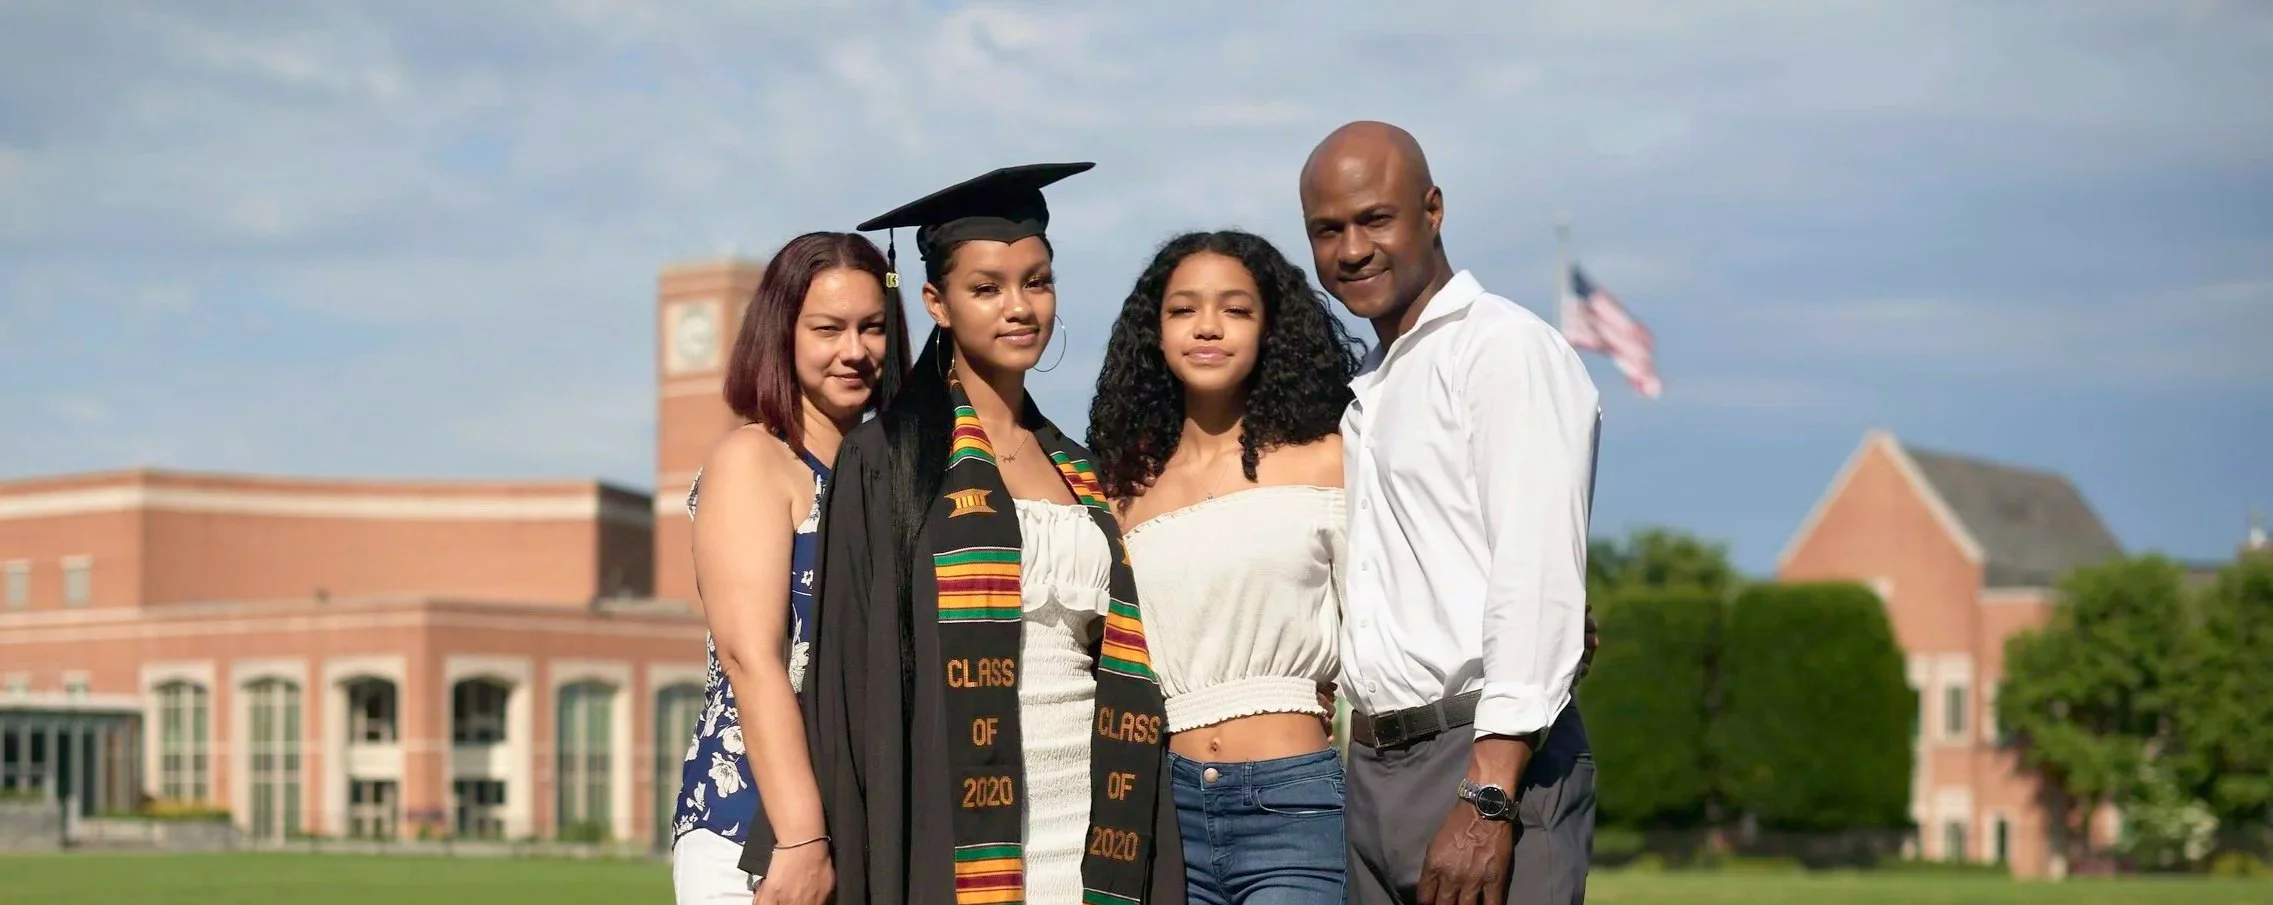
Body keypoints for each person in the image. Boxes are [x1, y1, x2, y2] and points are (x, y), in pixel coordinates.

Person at [772, 162, 1184, 904]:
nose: (1019, 307)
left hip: (1091, 823)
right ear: (936, 301)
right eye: (986, 288)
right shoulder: (887, 461)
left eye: (1037, 281)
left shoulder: (1080, 469)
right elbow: (849, 686)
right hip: (955, 829)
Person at [1299, 121, 1602, 905]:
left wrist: (1488, 796)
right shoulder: (1373, 382)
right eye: (1327, 230)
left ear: (1431, 210)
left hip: (1480, 764)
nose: (1352, 248)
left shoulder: (1500, 349)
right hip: (1370, 771)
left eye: (1374, 219)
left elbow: (1533, 572)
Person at [1086, 229, 1360, 904]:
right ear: (1153, 331)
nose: (1207, 327)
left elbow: (1390, 618)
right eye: (1183, 309)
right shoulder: (1122, 488)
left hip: (1291, 802)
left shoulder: (1328, 459)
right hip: (1162, 811)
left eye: (1234, 309)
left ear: (1271, 328)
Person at [672, 231, 912, 905]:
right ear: (782, 333)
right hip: (758, 829)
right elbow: (751, 656)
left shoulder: (892, 474)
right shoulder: (754, 459)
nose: (854, 350)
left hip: (866, 827)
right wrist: (802, 838)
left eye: (872, 327)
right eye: (828, 328)